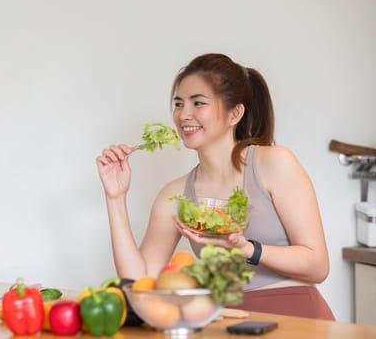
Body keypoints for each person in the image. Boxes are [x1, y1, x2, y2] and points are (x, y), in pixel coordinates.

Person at [95, 53, 335, 320]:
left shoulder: (274, 163)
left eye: (198, 103)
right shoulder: (173, 196)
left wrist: (248, 249)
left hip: (298, 318)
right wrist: (115, 198)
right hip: (225, 321)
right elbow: (138, 284)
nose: (184, 114)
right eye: (178, 103)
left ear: (235, 113)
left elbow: (318, 266)